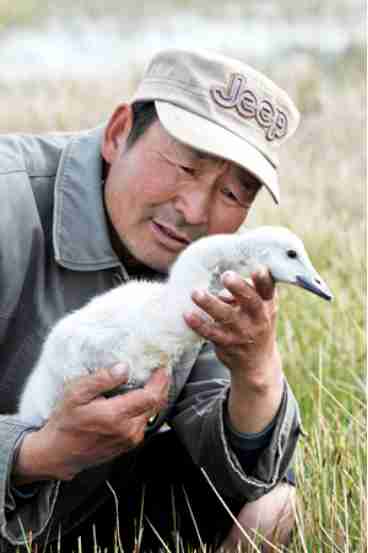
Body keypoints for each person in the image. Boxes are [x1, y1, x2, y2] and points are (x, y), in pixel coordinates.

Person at [0, 48, 302, 552]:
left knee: (271, 504)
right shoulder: (8, 205)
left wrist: (257, 374)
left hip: (81, 519)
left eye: (233, 194)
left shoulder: (205, 271)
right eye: (185, 166)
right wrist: (33, 454)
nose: (195, 209)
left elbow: (237, 460)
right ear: (119, 133)